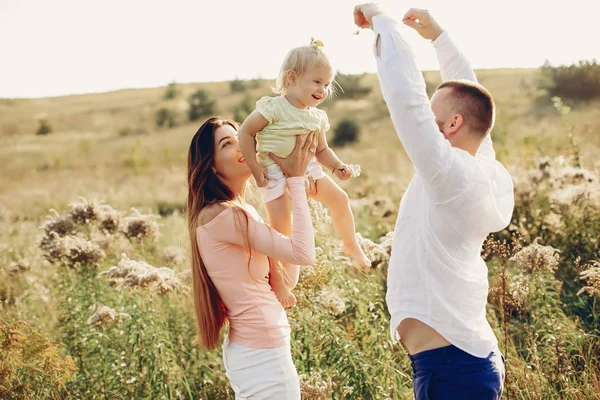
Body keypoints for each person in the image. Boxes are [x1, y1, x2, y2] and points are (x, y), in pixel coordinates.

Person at [354, 4, 514, 399]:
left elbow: (405, 97)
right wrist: (440, 39)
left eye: (432, 115)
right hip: (458, 364)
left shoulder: (449, 176)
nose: (425, 120)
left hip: (452, 370)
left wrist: (382, 21)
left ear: (452, 125)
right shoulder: (478, 167)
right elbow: (471, 98)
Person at [187, 117, 318, 399]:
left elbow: (288, 278)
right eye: (227, 143)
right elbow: (305, 253)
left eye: (240, 138)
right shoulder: (226, 215)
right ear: (210, 164)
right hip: (262, 352)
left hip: (261, 347)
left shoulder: (237, 212)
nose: (241, 145)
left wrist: (280, 190)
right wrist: (295, 181)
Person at [238, 39, 371, 307]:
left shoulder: (317, 117)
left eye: (327, 84)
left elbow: (322, 150)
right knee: (281, 233)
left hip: (309, 171)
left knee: (341, 200)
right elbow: (245, 131)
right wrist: (255, 167)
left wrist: (336, 166)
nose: (323, 89)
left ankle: (350, 242)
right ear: (292, 78)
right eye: (317, 81)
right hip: (273, 174)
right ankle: (279, 281)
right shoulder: (273, 108)